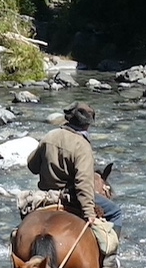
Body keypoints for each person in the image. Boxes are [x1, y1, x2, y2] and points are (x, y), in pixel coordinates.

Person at [29, 103, 120, 258]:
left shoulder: (49, 136)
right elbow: (83, 183)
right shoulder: (82, 145)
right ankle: (109, 259)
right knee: (116, 212)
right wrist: (89, 212)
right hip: (70, 196)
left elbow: (32, 166)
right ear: (87, 125)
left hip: (46, 194)